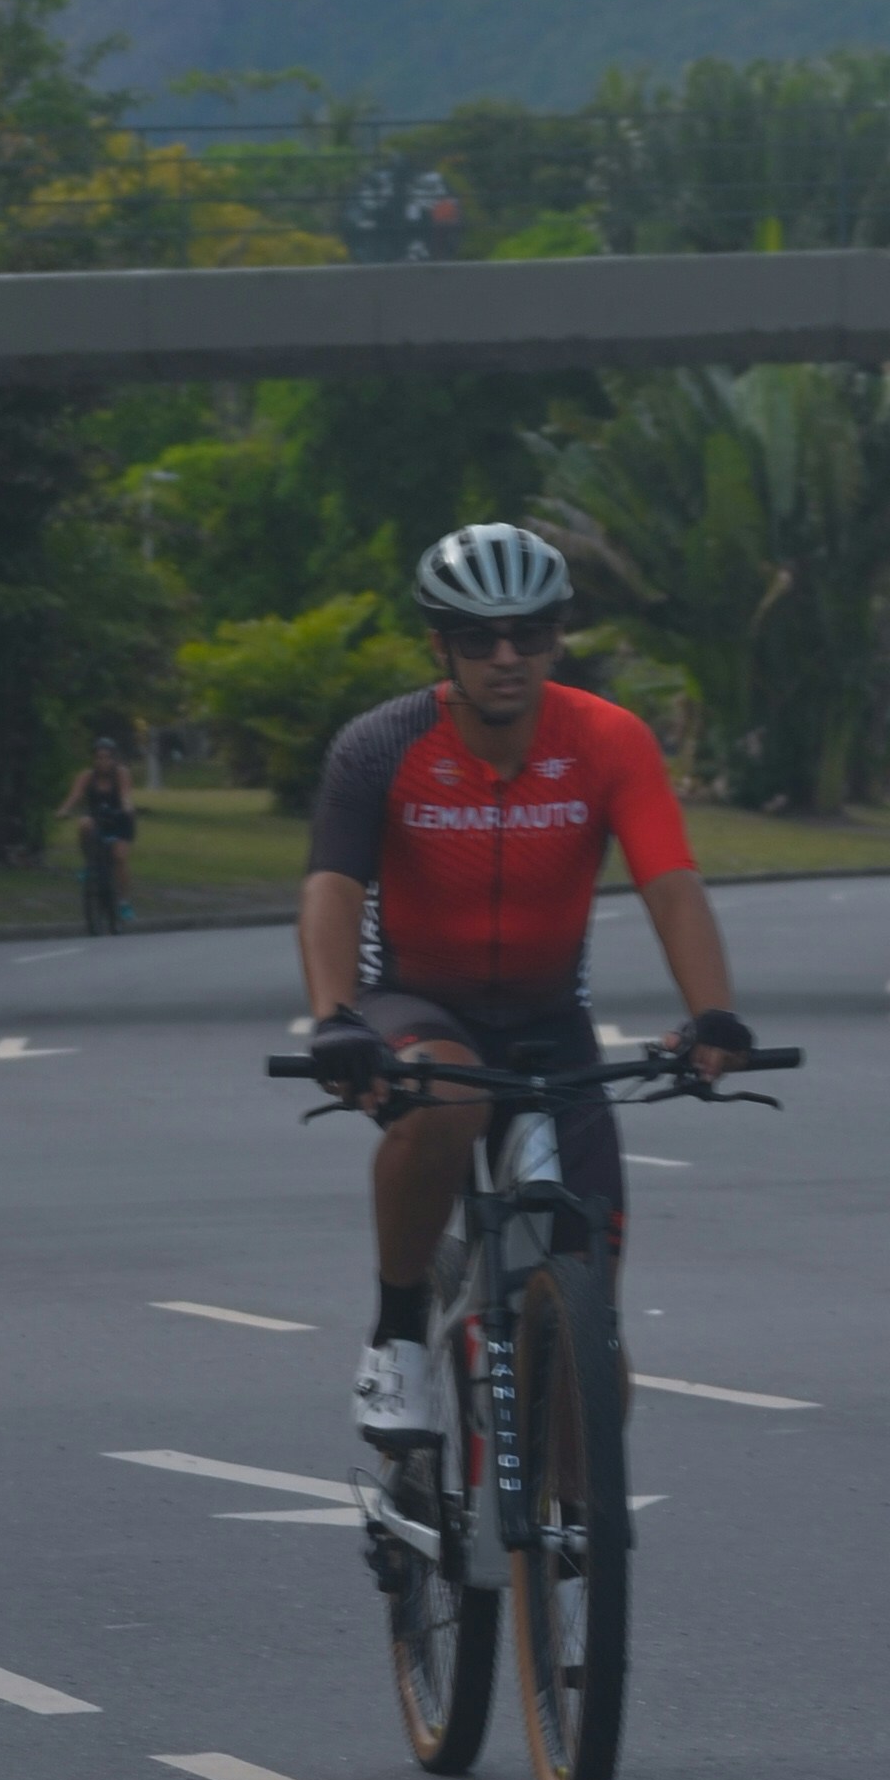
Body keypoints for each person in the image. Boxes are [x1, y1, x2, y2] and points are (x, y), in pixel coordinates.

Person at [296, 523, 753, 1449]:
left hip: (550, 1025)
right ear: (440, 646)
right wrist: (334, 1020)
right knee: (450, 1097)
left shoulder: (607, 740)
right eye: (477, 638)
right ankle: (395, 1335)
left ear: (555, 636)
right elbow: (332, 887)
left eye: (531, 634)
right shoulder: (380, 745)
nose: (506, 658)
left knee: (589, 1331)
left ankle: (559, 1555)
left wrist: (712, 1012)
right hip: (418, 1005)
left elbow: (670, 879)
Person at [55, 733, 138, 916]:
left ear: (114, 759)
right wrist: (64, 810)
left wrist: (127, 808)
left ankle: (123, 902)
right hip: (97, 818)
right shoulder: (87, 776)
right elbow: (75, 796)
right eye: (99, 758)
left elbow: (125, 794)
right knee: (84, 823)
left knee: (119, 857)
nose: (103, 762)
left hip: (119, 819)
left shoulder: (121, 774)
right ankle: (90, 864)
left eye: (107, 758)